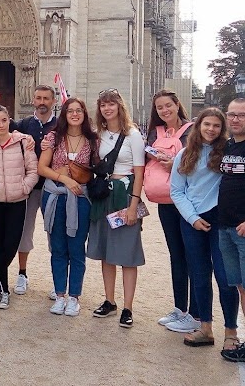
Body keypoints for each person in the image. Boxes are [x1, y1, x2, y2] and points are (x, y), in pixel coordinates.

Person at [170, 108, 239, 350]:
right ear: (198, 126)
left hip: (221, 219)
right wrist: (191, 217)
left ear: (222, 129)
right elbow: (177, 190)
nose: (211, 129)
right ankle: (205, 327)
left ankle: (231, 330)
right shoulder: (185, 154)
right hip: (193, 220)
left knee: (225, 277)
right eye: (206, 124)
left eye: (216, 126)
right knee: (199, 275)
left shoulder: (228, 153)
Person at [86, 89, 146, 328]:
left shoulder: (132, 134)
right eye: (103, 105)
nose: (107, 108)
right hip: (104, 196)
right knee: (105, 250)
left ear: (120, 106)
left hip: (124, 195)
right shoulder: (99, 134)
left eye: (111, 104)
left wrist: (134, 205)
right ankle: (110, 300)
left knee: (127, 253)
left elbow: (139, 172)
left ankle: (128, 306)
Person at [37, 98, 97, 316]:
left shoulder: (92, 140)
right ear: (64, 114)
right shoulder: (54, 137)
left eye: (78, 110)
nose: (74, 114)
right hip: (55, 196)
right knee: (58, 247)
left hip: (80, 198)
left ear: (84, 113)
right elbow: (42, 167)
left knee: (77, 247)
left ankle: (74, 297)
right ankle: (60, 294)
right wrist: (65, 179)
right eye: (70, 111)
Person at [144, 89, 197, 331]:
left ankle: (197, 313)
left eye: (168, 106)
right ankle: (180, 308)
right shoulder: (155, 132)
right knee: (176, 255)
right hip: (165, 200)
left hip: (187, 201)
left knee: (193, 256)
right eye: (160, 108)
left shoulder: (192, 130)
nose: (164, 111)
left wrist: (174, 163)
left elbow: (199, 162)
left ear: (178, 105)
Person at [0, 105, 38, 309]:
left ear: (9, 120)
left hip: (17, 200)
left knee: (11, 246)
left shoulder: (23, 142)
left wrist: (25, 187)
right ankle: (3, 290)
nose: (1, 125)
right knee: (0, 246)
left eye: (4, 120)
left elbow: (33, 170)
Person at [14, 84, 58, 295]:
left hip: (53, 187)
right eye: (39, 98)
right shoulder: (22, 125)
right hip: (29, 188)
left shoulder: (62, 126)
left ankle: (57, 280)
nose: (42, 102)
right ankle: (22, 273)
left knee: (54, 232)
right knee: (24, 230)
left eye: (46, 98)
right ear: (33, 100)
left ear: (54, 101)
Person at [217, 98, 245, 362]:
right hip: (225, 226)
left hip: (242, 228)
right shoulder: (228, 145)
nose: (235, 119)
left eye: (242, 115)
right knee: (240, 286)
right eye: (232, 115)